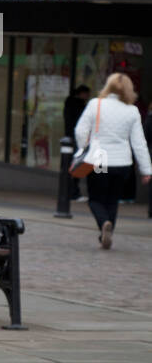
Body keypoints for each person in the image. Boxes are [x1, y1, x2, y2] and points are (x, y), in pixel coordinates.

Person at [73, 73, 151, 249]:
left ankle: (103, 224)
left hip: (100, 157)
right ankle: (107, 231)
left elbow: (80, 131)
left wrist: (84, 147)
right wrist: (146, 170)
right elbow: (139, 143)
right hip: (122, 162)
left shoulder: (96, 104)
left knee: (95, 199)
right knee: (112, 200)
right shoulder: (132, 111)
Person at [64, 85, 91, 201]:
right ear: (81, 93)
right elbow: (80, 127)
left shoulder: (70, 104)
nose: (88, 96)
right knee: (76, 165)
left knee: (72, 166)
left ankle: (71, 192)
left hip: (70, 138)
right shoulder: (79, 106)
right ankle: (74, 192)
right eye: (86, 94)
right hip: (76, 140)